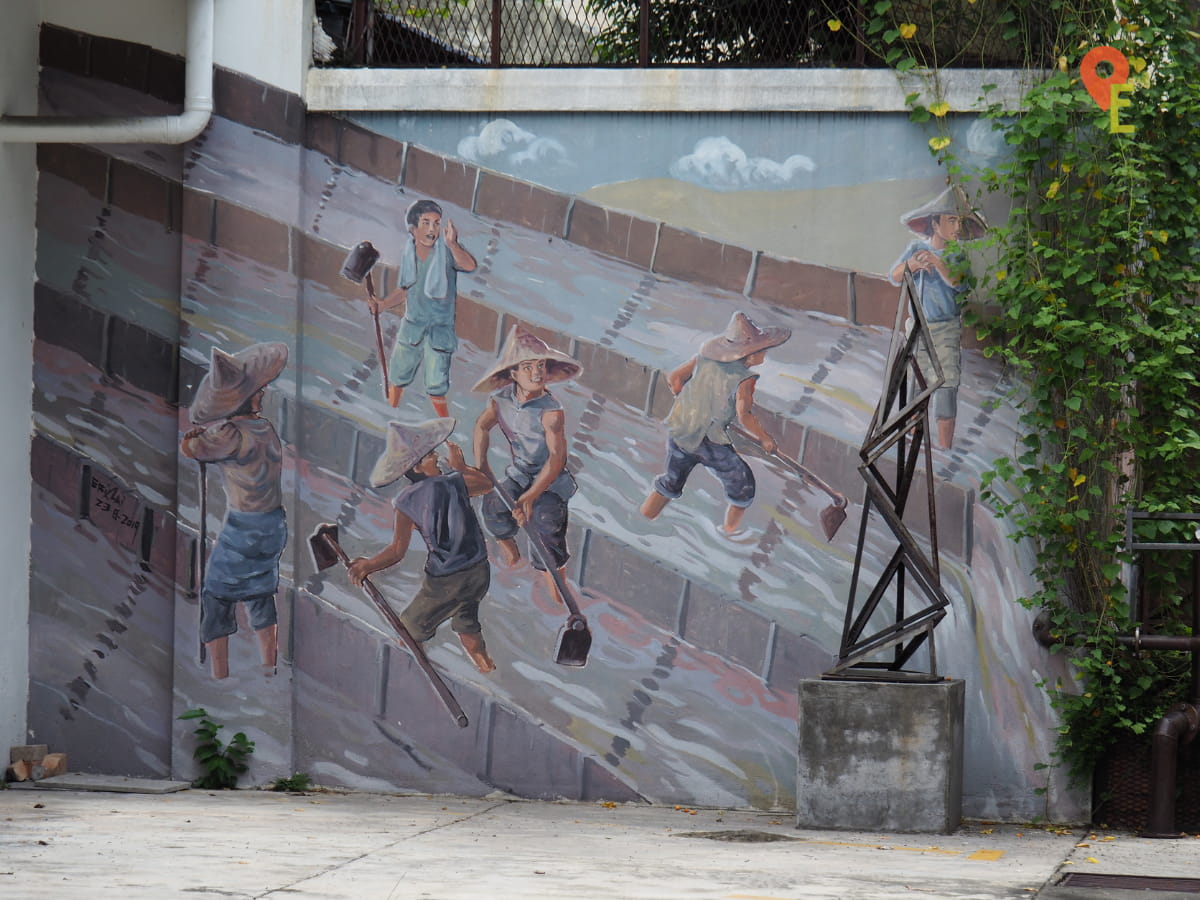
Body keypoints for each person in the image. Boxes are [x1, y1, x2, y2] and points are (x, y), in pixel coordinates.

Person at [347, 418, 497, 674]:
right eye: (430, 455)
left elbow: (397, 551)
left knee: (408, 630)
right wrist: (461, 468)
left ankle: (410, 673)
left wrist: (368, 566)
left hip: (446, 579)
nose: (436, 457)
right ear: (417, 466)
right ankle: (485, 666)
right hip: (478, 571)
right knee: (466, 622)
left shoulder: (406, 501)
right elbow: (486, 484)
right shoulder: (453, 482)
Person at [181, 341, 289, 680]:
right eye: (260, 389)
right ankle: (269, 668)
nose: (264, 391)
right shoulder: (265, 430)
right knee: (260, 592)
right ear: (252, 399)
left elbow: (193, 449)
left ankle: (219, 674)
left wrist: (193, 438)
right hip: (274, 524)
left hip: (245, 527)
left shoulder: (229, 433)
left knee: (216, 594)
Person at [641, 311, 791, 536]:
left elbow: (675, 378)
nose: (765, 354)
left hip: (680, 431)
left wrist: (691, 405)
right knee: (743, 485)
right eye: (763, 350)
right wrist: (765, 438)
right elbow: (745, 415)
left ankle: (645, 516)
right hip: (710, 441)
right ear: (749, 353)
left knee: (672, 480)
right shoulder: (745, 378)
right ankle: (730, 531)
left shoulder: (703, 359)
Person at [472, 325, 583, 605]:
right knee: (493, 507)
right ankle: (510, 552)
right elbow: (482, 428)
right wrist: (482, 464)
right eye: (528, 367)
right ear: (513, 374)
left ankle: (556, 592)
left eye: (541, 365)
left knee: (546, 529)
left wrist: (530, 497)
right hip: (520, 473)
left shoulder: (551, 410)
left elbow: (557, 459)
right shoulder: (500, 401)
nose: (537, 373)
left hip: (550, 481)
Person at [888, 184, 986, 450]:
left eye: (959, 221)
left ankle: (944, 448)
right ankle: (911, 440)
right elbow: (894, 276)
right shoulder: (914, 248)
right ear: (935, 223)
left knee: (946, 385)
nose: (956, 227)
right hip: (918, 327)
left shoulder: (957, 255)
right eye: (951, 220)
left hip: (946, 329)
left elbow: (960, 284)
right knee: (914, 382)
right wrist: (913, 264)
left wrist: (936, 262)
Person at [368, 198, 477, 417]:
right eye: (426, 223)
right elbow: (405, 289)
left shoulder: (446, 252)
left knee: (437, 386)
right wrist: (382, 305)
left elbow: (469, 265)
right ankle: (390, 415)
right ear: (413, 229)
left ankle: (445, 430)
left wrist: (453, 244)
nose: (432, 229)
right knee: (398, 376)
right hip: (412, 326)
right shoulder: (409, 253)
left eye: (436, 223)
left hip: (439, 330)